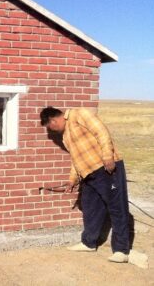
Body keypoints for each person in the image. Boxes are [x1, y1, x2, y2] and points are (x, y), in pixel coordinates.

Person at [40, 106, 130, 263]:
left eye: (50, 127)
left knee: (117, 207)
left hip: (106, 168)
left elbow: (101, 132)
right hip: (88, 174)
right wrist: (72, 179)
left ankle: (121, 250)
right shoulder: (65, 136)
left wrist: (108, 154)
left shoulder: (79, 114)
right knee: (90, 208)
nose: (51, 131)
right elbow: (76, 158)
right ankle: (89, 242)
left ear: (53, 120)